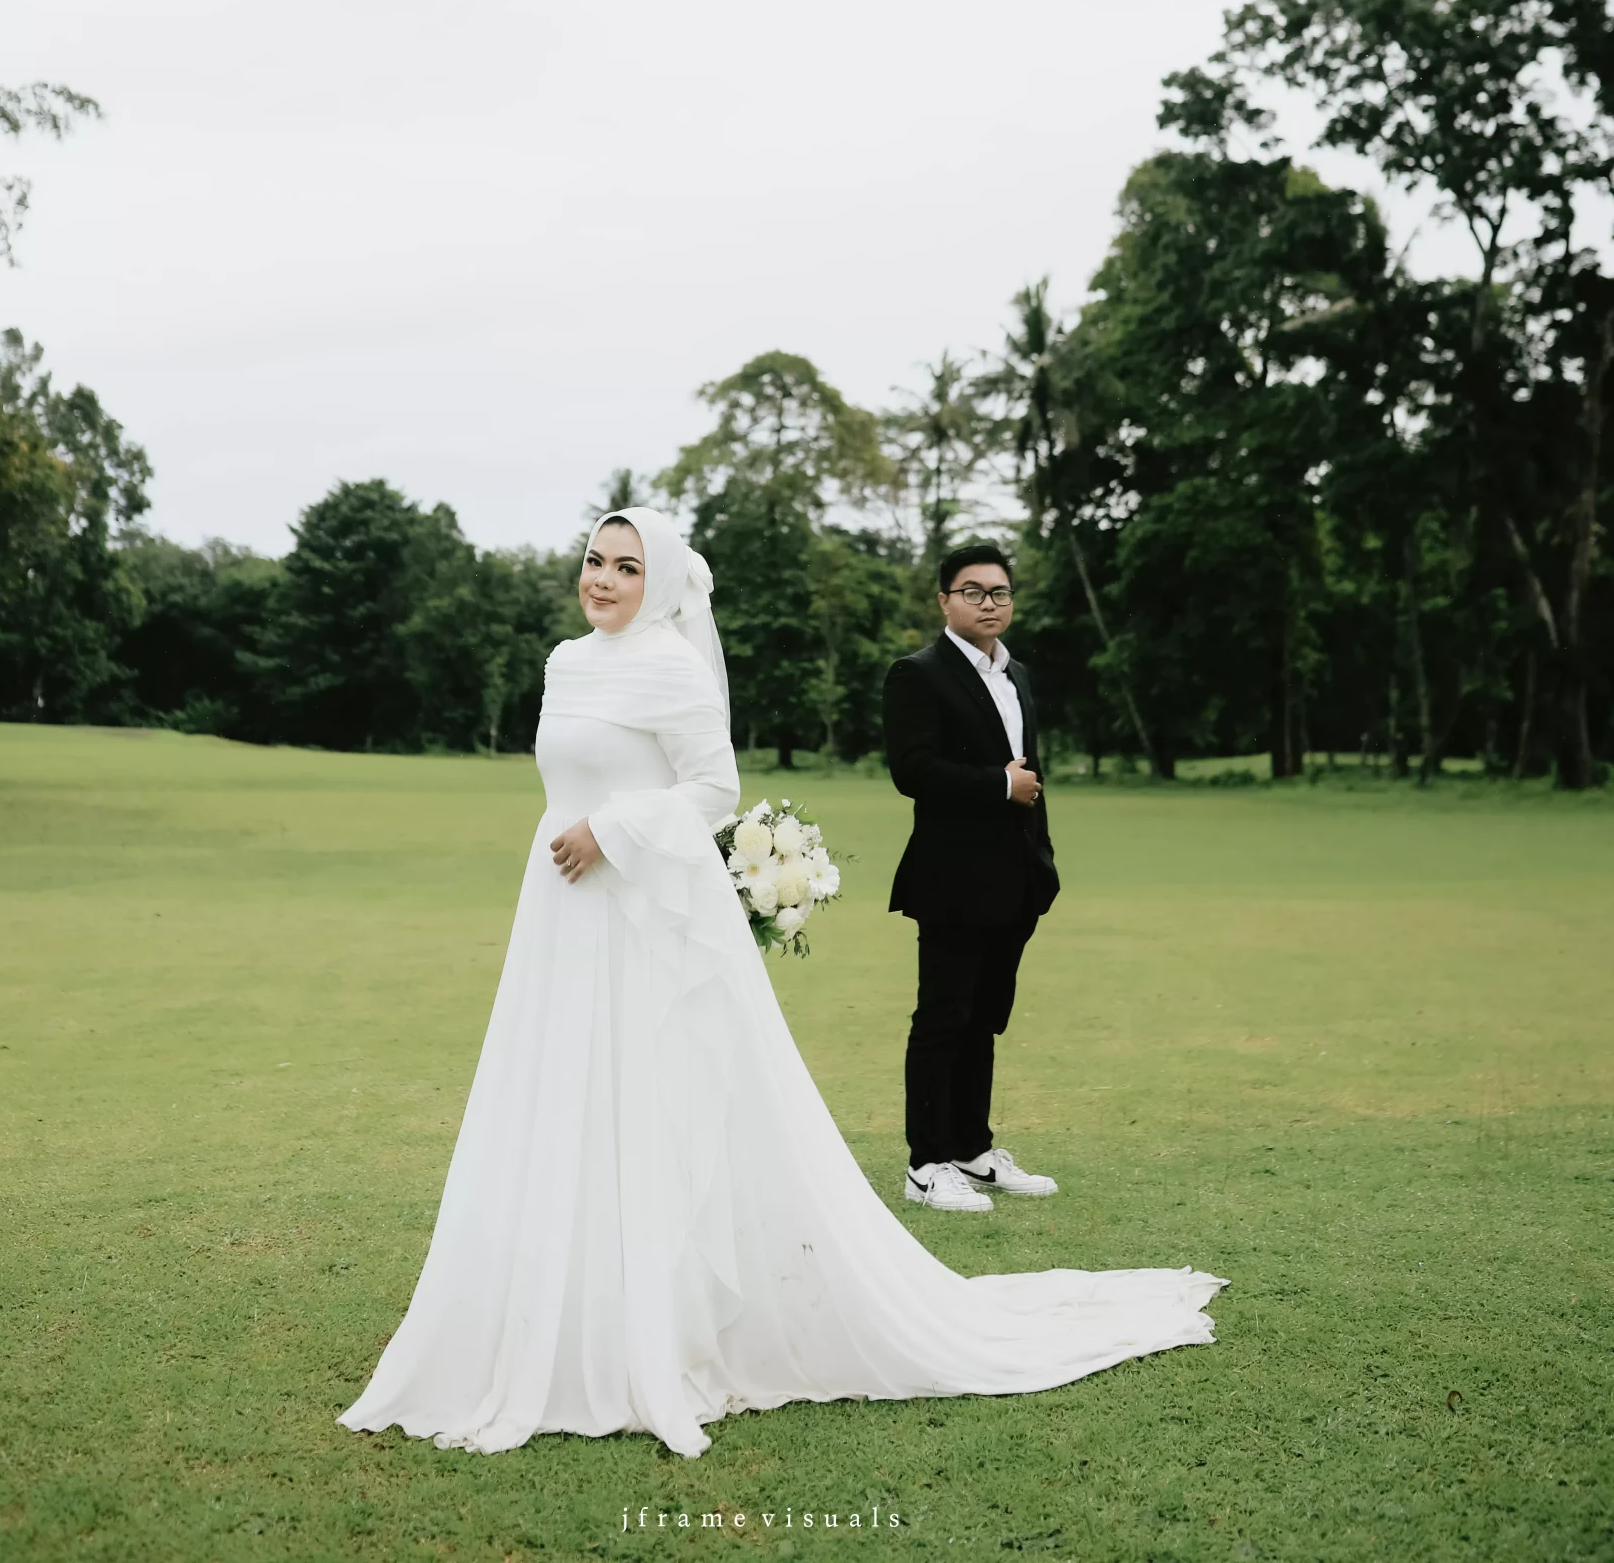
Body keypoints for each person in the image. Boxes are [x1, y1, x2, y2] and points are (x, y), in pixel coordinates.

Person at [339, 508, 1222, 1460]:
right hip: (563, 909)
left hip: (639, 909)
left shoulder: (672, 666)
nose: (602, 579)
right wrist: (579, 831)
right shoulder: (564, 662)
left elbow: (710, 789)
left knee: (655, 1100)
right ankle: (566, 1306)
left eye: (627, 567)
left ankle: (666, 1319)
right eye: (594, 560)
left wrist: (613, 831)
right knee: (566, 1096)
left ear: (659, 581)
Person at [882, 543, 1059, 1214]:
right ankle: (925, 1164)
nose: (989, 603)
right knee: (942, 1018)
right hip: (951, 878)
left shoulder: (1018, 676)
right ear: (944, 600)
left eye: (1000, 592)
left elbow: (1032, 776)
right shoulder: (918, 674)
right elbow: (913, 770)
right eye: (973, 591)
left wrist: (1042, 860)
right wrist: (997, 785)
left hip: (1016, 877)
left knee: (984, 1018)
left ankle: (971, 1150)